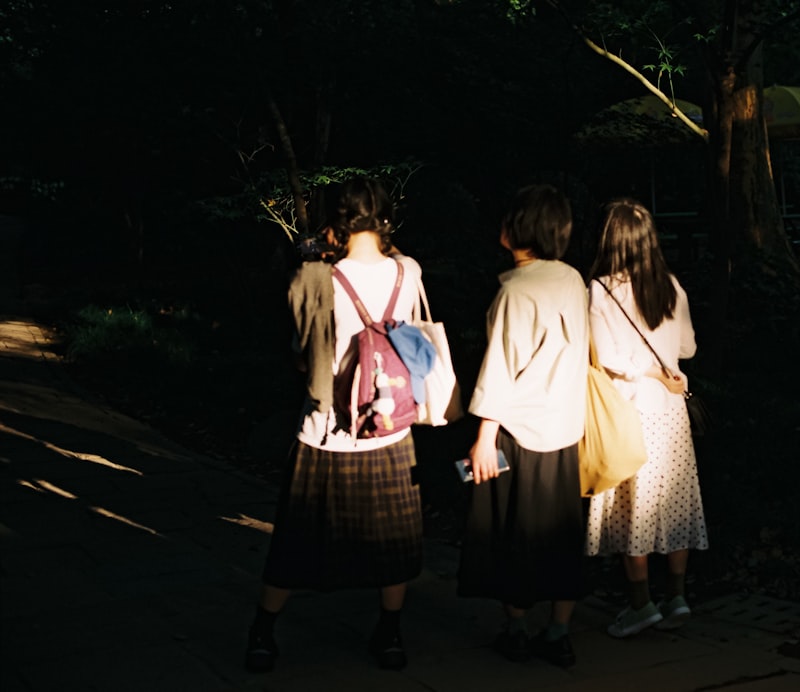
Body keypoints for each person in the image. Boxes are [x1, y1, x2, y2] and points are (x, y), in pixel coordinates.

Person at [244, 177, 425, 672]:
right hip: (390, 425)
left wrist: (317, 254)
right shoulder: (408, 270)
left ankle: (263, 632)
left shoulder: (314, 276)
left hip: (327, 430)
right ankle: (389, 635)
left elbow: (302, 356)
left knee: (296, 540)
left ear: (335, 221)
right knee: (393, 539)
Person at [456, 184, 590, 668]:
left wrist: (484, 436)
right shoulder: (573, 280)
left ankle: (516, 627)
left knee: (513, 532)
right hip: (565, 429)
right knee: (559, 533)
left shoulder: (516, 290)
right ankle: (559, 632)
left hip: (518, 430)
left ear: (520, 228)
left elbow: (500, 367)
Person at [584, 198, 709, 638]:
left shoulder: (599, 291)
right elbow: (689, 348)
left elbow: (610, 357)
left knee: (630, 509)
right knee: (674, 504)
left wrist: (646, 368)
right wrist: (662, 365)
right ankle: (677, 596)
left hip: (627, 411)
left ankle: (641, 604)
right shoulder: (673, 287)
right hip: (670, 411)